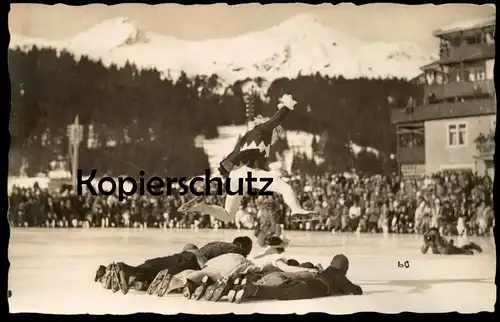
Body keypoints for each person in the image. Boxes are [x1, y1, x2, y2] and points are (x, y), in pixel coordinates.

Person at [178, 94, 315, 223]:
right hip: (249, 172)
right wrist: (286, 106)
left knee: (228, 215)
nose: (276, 137)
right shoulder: (262, 130)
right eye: (275, 133)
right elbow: (275, 120)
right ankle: (296, 210)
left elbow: (231, 162)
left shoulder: (247, 139)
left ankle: (203, 207)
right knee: (286, 188)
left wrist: (209, 179)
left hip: (236, 175)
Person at [94, 236, 253, 295]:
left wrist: (193, 254)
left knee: (148, 267)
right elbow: (217, 265)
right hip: (188, 261)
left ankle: (118, 270)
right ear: (244, 247)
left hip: (182, 256)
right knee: (157, 275)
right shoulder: (235, 250)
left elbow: (189, 246)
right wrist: (203, 267)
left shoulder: (215, 243)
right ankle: (132, 277)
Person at [228, 254, 362, 303]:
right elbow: (356, 290)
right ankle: (252, 290)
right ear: (344, 267)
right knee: (279, 293)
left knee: (279, 289)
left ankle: (245, 289)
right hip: (308, 289)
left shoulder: (328, 271)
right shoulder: (339, 276)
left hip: (305, 281)